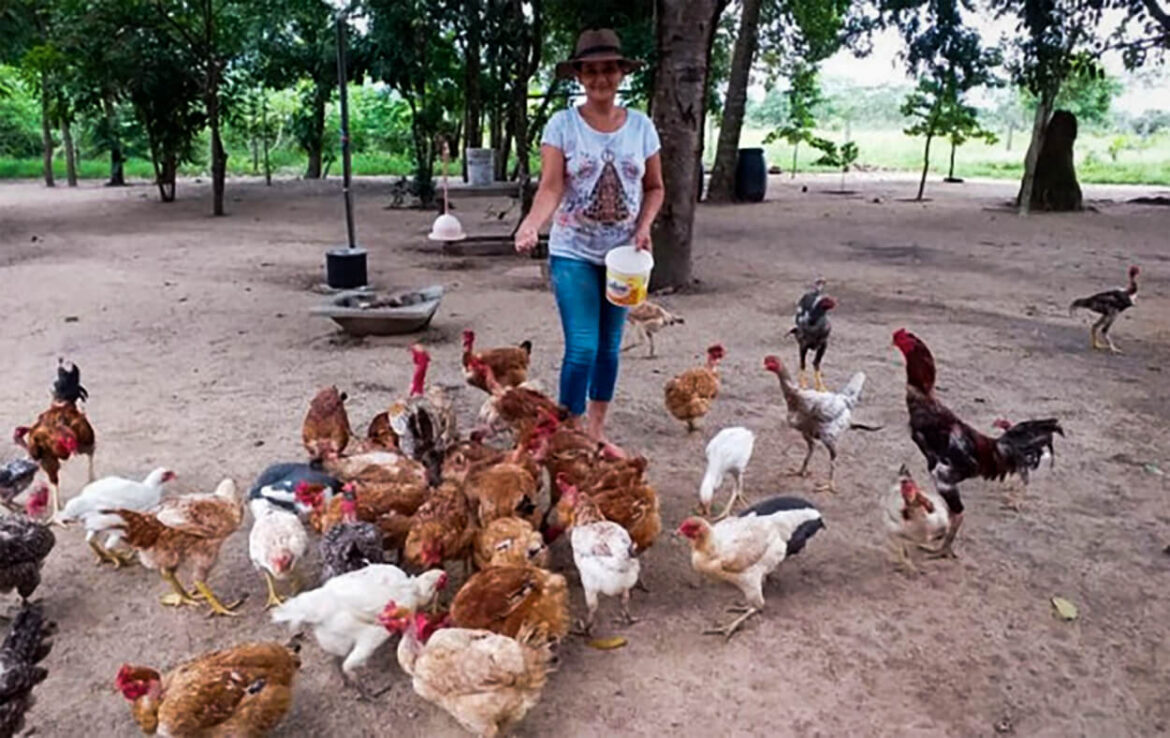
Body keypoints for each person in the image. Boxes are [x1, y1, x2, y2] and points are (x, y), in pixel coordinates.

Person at [515, 28, 665, 445]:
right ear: (579, 76)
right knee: (582, 347)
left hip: (624, 258)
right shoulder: (562, 125)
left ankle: (596, 431)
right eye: (591, 71)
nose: (601, 78)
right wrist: (531, 224)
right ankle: (570, 429)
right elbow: (551, 187)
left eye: (609, 69)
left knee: (608, 348)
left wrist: (643, 227)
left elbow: (655, 187)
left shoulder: (641, 127)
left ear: (621, 73)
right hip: (573, 252)